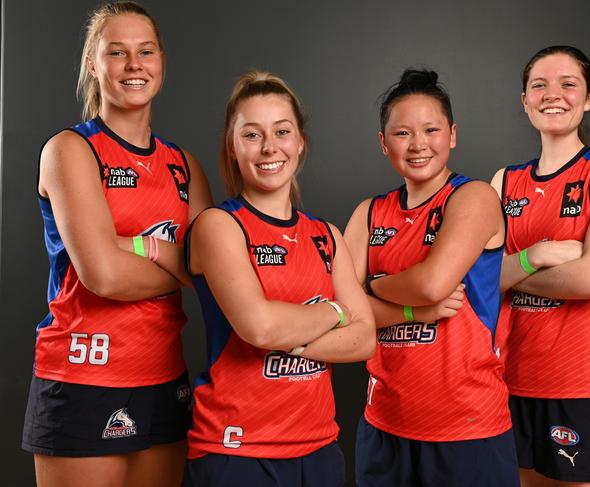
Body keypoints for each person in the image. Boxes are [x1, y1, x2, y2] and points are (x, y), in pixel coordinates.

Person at [21, 2, 212, 486]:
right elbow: (103, 276)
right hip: (84, 377)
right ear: (93, 64)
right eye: (117, 52)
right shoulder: (70, 149)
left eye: (146, 51)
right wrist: (171, 255)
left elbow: (207, 272)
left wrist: (144, 247)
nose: (134, 65)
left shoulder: (183, 165)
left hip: (165, 378)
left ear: (161, 61)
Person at [183, 71, 375, 487]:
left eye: (282, 131)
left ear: (300, 141)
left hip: (319, 448)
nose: (270, 147)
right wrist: (336, 311)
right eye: (252, 135)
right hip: (238, 451)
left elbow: (365, 339)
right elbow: (260, 327)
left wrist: (295, 331)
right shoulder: (218, 225)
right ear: (232, 148)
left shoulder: (327, 235)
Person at [344, 68, 519, 487]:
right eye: (403, 133)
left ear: (452, 135)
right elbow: (343, 314)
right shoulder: (369, 213)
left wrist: (372, 286)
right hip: (385, 424)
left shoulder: (474, 197)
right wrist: (410, 311)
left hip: (467, 426)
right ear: (383, 143)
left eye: (431, 129)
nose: (418, 144)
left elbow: (431, 285)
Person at [491, 45, 590, 486]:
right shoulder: (503, 180)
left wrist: (513, 270)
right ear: (524, 100)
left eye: (568, 84)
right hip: (510, 380)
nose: (553, 94)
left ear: (589, 97)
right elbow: (479, 280)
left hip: (586, 381)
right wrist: (541, 254)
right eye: (540, 85)